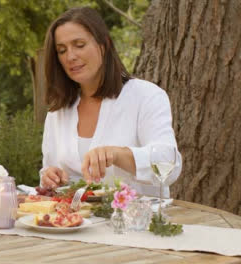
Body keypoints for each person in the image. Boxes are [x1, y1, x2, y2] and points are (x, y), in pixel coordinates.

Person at [40, 6, 182, 197]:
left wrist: (117, 154)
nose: (70, 56)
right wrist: (50, 177)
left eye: (79, 45)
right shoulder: (58, 111)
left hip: (137, 222)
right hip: (76, 223)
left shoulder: (146, 96)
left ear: (103, 45)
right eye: (62, 50)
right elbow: (50, 171)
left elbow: (170, 164)